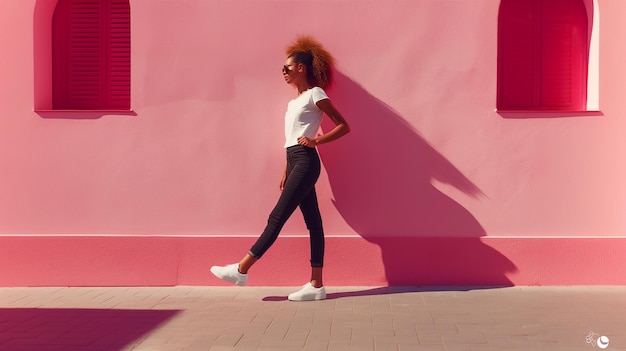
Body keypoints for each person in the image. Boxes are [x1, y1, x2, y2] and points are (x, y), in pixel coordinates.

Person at [210, 35, 350, 301]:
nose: (283, 73)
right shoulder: (293, 102)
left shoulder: (315, 94)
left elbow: (343, 125)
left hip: (307, 160)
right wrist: (287, 169)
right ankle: (316, 285)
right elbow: (290, 138)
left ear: (301, 68)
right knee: (314, 223)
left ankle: (241, 269)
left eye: (286, 68)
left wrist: (316, 140)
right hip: (295, 161)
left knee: (277, 217)